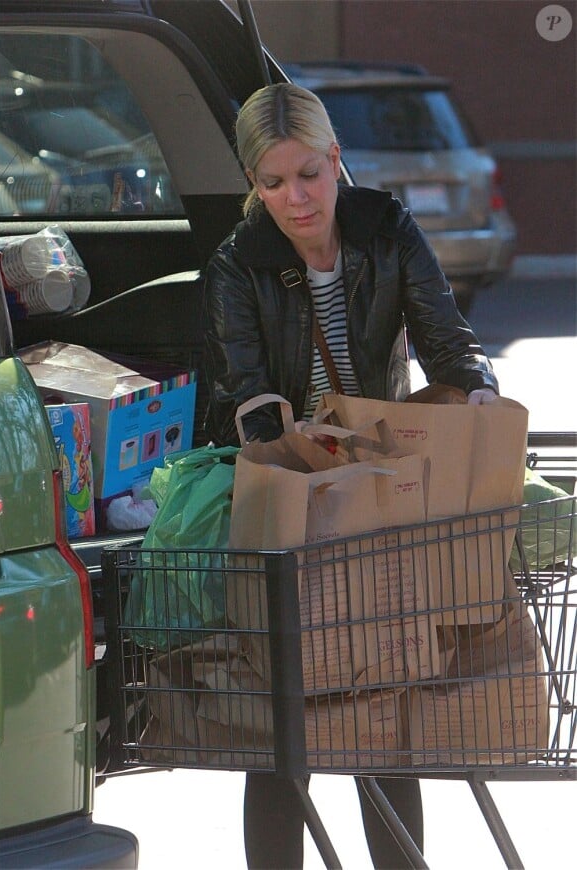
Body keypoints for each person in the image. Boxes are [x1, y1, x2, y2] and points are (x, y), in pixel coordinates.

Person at [203, 82, 499, 870]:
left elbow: (446, 339)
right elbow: (249, 398)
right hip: (291, 491)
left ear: (337, 160)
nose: (294, 199)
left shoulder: (387, 230)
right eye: (271, 183)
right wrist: (303, 468)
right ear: (254, 186)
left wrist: (476, 395)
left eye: (308, 174)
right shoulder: (239, 263)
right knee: (281, 729)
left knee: (382, 709)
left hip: (380, 486)